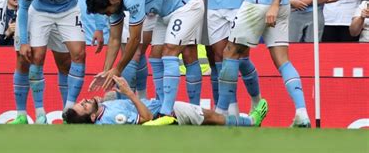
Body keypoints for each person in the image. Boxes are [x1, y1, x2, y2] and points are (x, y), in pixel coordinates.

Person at [87, 0, 204, 126]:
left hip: (187, 6)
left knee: (169, 52)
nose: (108, 15)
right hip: (165, 13)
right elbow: (114, 39)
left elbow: (135, 39)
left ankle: (167, 113)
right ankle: (162, 106)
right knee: (155, 57)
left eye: (107, 12)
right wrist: (107, 71)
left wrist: (118, 69)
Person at [17, 0, 105, 122]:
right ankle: (40, 112)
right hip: (40, 12)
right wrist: (24, 41)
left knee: (79, 54)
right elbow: (23, 8)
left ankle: (68, 109)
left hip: (68, 11)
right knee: (37, 57)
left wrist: (99, 27)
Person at [63, 75, 268, 126]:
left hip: (162, 105)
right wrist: (128, 92)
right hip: (168, 112)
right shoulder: (113, 118)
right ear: (91, 116)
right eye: (84, 105)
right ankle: (251, 121)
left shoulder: (101, 110)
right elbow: (146, 117)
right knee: (213, 117)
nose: (85, 100)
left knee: (208, 121)